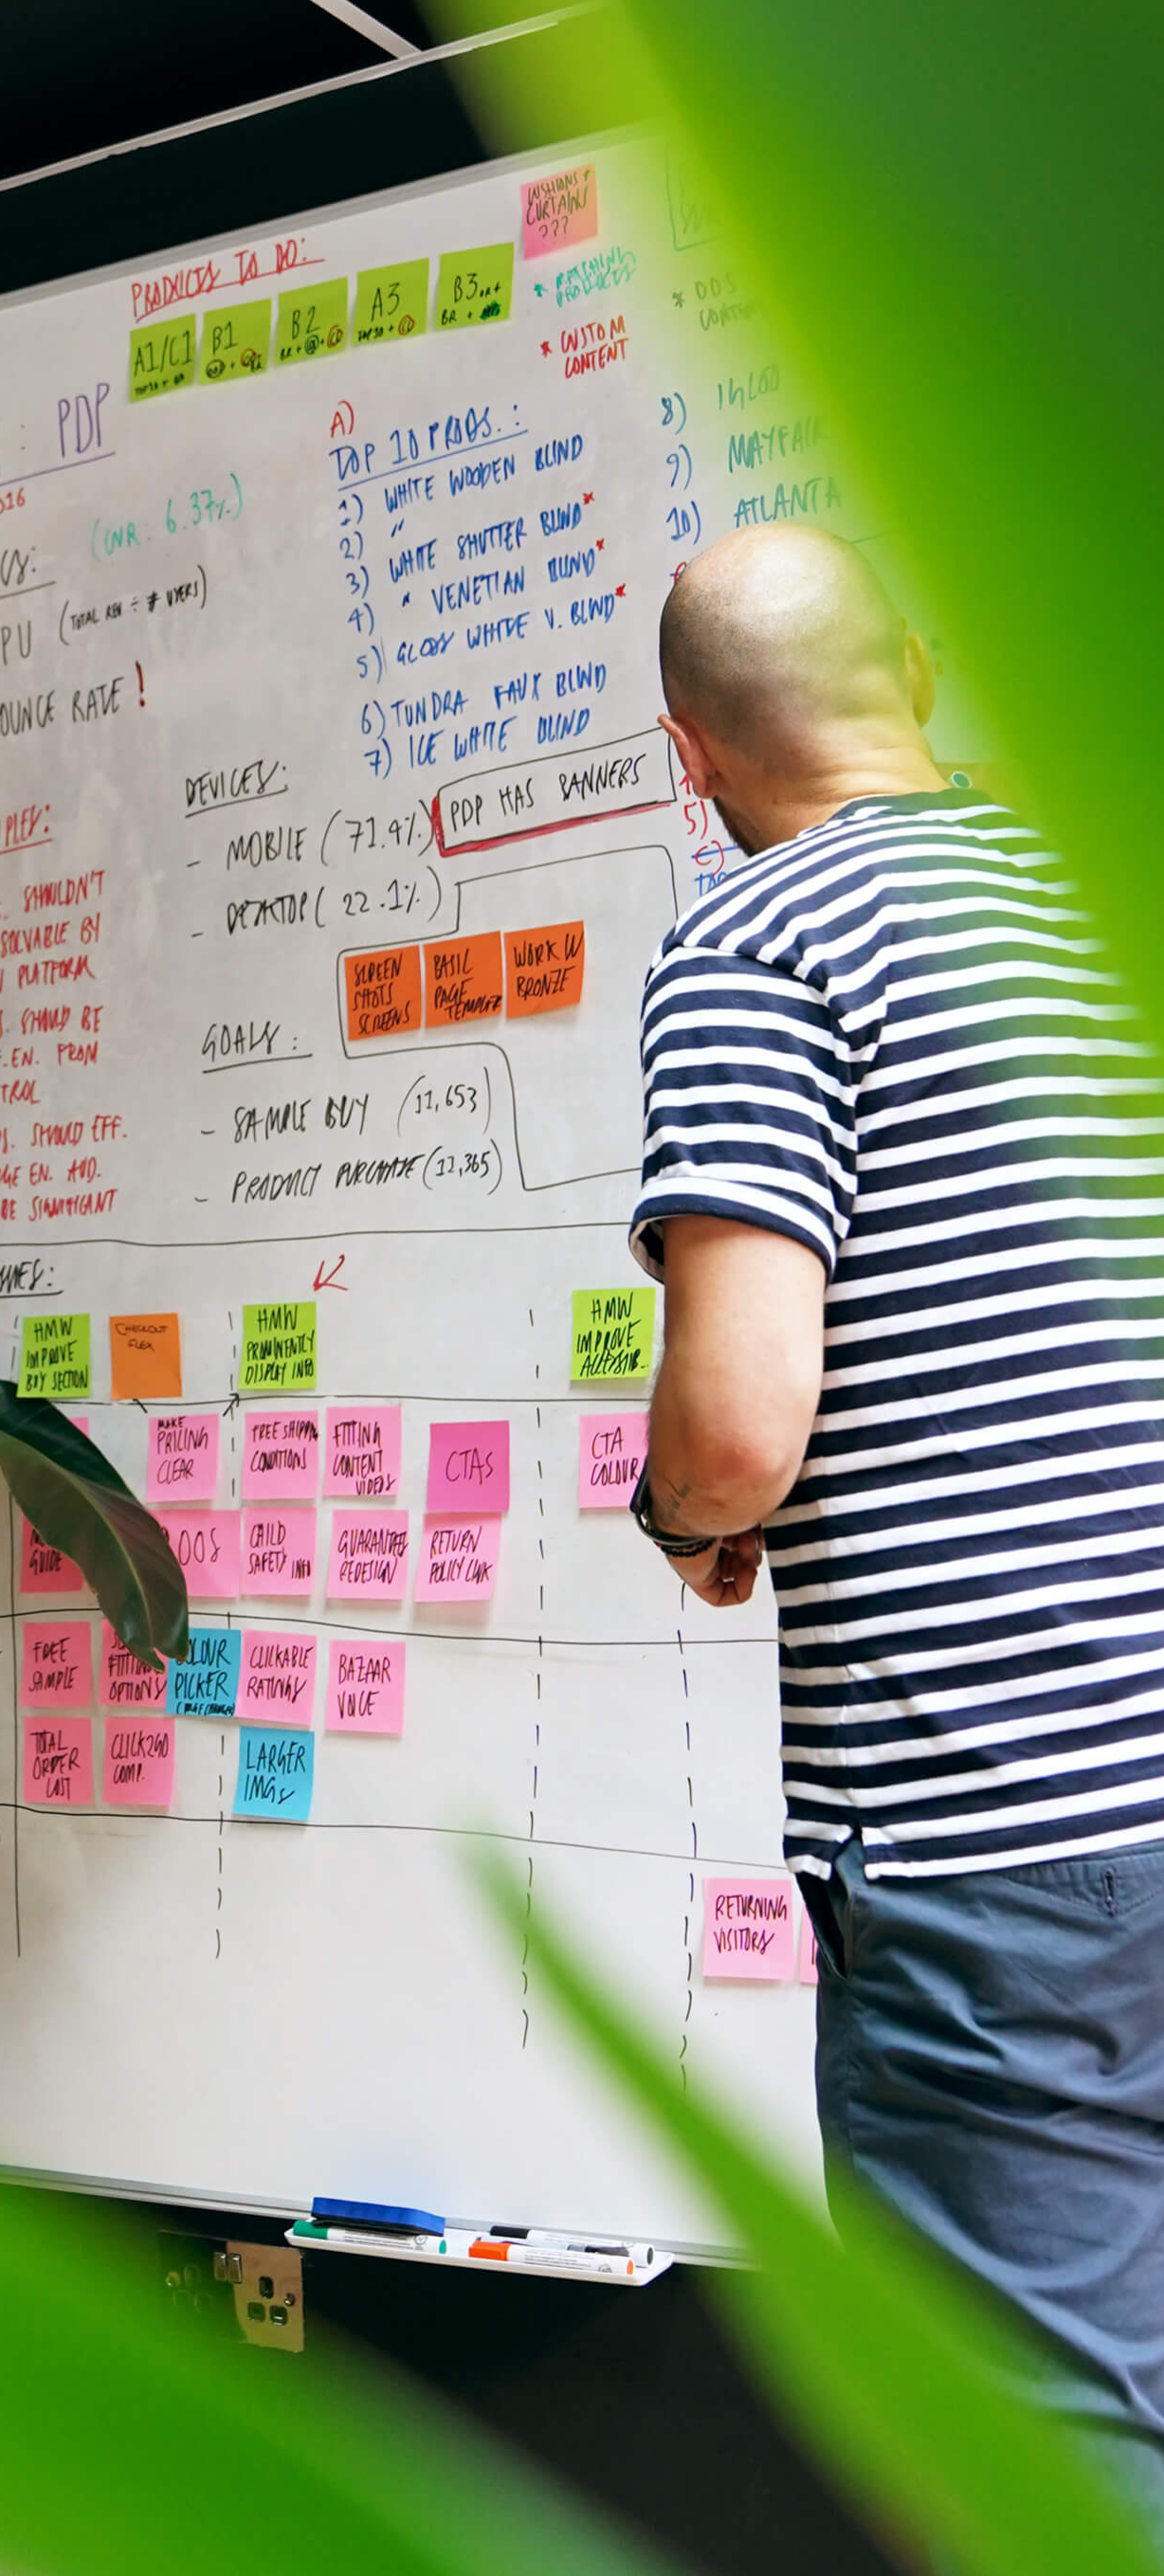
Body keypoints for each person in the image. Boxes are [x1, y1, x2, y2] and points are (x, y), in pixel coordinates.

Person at [627, 524, 1164, 2516]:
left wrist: (677, 1508)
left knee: (1042, 2465)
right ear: (923, 670)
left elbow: (741, 1431)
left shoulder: (761, 939)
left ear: (692, 760)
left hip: (997, 1836)